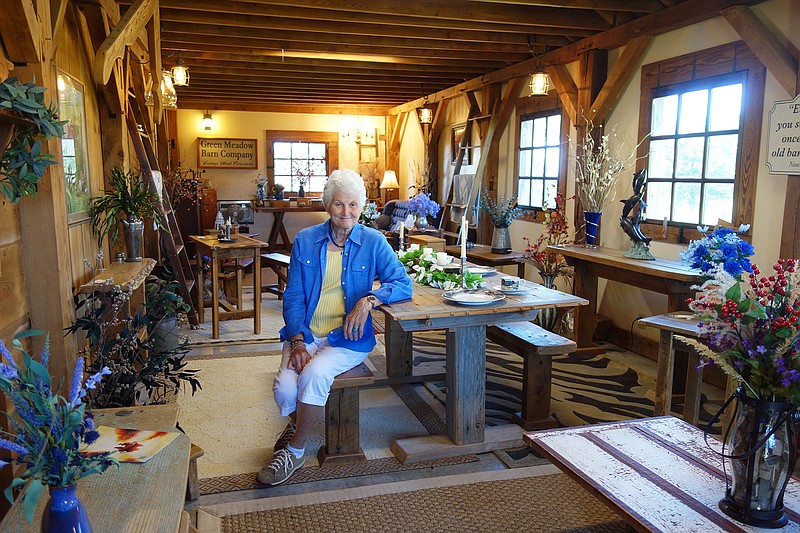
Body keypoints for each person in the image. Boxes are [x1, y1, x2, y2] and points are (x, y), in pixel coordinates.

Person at [257, 169, 413, 486]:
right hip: (306, 333)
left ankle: (295, 451)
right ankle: (301, 422)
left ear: (362, 207)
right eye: (339, 204)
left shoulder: (374, 241)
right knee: (285, 387)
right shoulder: (305, 240)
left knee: (314, 375)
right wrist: (298, 342)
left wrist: (368, 300)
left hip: (347, 339)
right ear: (328, 206)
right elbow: (295, 295)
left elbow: (402, 283)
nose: (346, 212)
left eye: (353, 205)